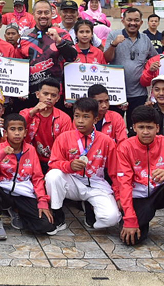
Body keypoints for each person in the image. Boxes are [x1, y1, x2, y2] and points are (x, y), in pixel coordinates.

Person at [116, 105, 164, 253]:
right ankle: (133, 218)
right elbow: (124, 184)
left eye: (150, 127)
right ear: (134, 128)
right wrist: (130, 219)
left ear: (157, 128)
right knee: (131, 240)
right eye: (141, 127)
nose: (145, 132)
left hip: (160, 191)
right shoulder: (125, 147)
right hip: (138, 196)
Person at [46, 97, 121, 232]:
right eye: (77, 116)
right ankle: (58, 215)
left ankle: (90, 206)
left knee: (112, 219)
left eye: (86, 117)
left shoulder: (106, 141)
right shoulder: (64, 137)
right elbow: (53, 163)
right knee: (53, 176)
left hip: (96, 183)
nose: (80, 121)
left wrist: (119, 196)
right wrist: (69, 166)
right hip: (73, 181)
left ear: (96, 119)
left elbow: (115, 172)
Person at [0, 113, 56, 239]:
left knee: (46, 226)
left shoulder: (30, 150)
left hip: (23, 194)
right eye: (12, 129)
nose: (17, 133)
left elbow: (37, 178)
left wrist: (42, 201)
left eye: (20, 129)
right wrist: (1, 154)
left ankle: (17, 212)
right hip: (3, 191)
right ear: (6, 132)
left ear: (25, 132)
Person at [18, 1, 77, 107]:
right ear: (33, 14)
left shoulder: (62, 34)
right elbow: (19, 64)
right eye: (39, 12)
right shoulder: (25, 37)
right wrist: (21, 88)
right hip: (32, 93)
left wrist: (59, 41)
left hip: (55, 94)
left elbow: (72, 57)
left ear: (52, 14)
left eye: (46, 12)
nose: (43, 16)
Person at [105, 7, 157, 125]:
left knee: (135, 126)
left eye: (136, 20)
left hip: (138, 93)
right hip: (116, 92)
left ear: (141, 22)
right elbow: (107, 58)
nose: (133, 23)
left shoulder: (145, 39)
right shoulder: (114, 35)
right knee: (114, 126)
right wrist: (114, 45)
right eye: (129, 20)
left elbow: (155, 57)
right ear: (123, 20)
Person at [21, 78, 73, 172]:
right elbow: (16, 131)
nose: (49, 97)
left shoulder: (65, 119)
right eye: (45, 94)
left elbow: (66, 146)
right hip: (28, 160)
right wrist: (32, 113)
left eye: (53, 95)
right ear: (37, 94)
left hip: (54, 162)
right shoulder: (26, 113)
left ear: (57, 98)